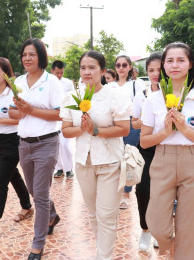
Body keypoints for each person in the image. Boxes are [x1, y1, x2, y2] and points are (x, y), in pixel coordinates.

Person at [141, 42, 194, 259]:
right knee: (156, 223)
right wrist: (166, 131)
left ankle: (183, 253)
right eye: (170, 60)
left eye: (181, 60)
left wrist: (185, 129)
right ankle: (173, 248)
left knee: (189, 231)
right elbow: (145, 141)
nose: (175, 65)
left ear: (190, 64)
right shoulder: (153, 100)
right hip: (162, 160)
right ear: (163, 66)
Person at [61, 50, 131, 260]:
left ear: (102, 70)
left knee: (107, 215)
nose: (87, 72)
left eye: (92, 67)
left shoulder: (115, 94)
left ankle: (104, 257)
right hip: (84, 162)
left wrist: (95, 130)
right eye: (83, 67)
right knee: (93, 214)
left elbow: (124, 129)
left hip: (110, 161)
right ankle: (104, 252)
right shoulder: (72, 97)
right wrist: (82, 129)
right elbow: (65, 130)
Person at [9, 38, 63, 260]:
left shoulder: (52, 82)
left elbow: (59, 113)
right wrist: (21, 111)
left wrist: (30, 109)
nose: (27, 58)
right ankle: (52, 215)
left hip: (47, 143)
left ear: (41, 56)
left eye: (31, 54)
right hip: (24, 143)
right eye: (24, 55)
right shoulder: (18, 82)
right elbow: (12, 113)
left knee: (39, 195)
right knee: (34, 190)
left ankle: (37, 244)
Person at [0, 57, 32, 242]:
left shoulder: (14, 94)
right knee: (12, 175)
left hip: (12, 140)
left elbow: (21, 118)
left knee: (0, 183)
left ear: (6, 73)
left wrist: (0, 120)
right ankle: (26, 205)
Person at [131, 52, 162, 252]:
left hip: (168, 148)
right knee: (142, 189)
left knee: (167, 192)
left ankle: (162, 230)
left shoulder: (175, 94)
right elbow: (133, 123)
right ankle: (145, 229)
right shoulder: (142, 95)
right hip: (147, 147)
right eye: (151, 70)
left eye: (159, 70)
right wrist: (146, 120)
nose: (155, 74)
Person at [114, 55, 146, 209]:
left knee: (128, 157)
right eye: (118, 65)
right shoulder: (110, 85)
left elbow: (142, 105)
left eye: (124, 65)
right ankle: (115, 191)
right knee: (115, 157)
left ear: (129, 67)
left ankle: (126, 193)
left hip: (131, 124)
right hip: (114, 124)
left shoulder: (136, 85)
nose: (121, 68)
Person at [50, 60, 74, 180]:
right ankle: (59, 168)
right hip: (52, 117)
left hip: (65, 117)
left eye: (61, 73)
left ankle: (69, 169)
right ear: (52, 71)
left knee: (65, 144)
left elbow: (73, 99)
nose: (59, 75)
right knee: (56, 144)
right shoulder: (47, 83)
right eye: (57, 73)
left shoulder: (68, 83)